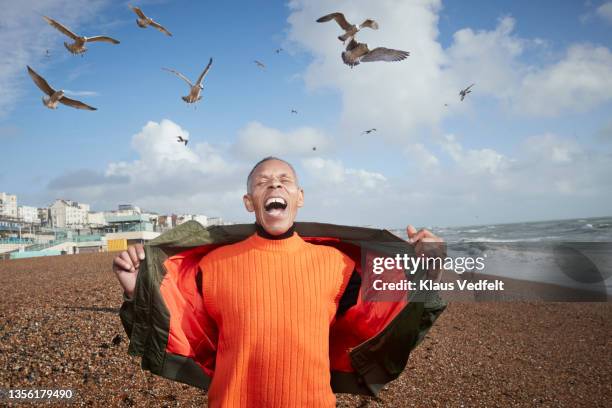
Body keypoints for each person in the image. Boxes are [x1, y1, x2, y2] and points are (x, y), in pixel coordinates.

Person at [113, 156, 445, 408]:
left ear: (299, 197)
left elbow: (387, 314)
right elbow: (180, 327)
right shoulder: (212, 266)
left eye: (284, 180)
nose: (274, 185)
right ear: (248, 202)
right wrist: (135, 286)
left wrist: (429, 268)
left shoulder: (338, 265)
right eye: (263, 182)